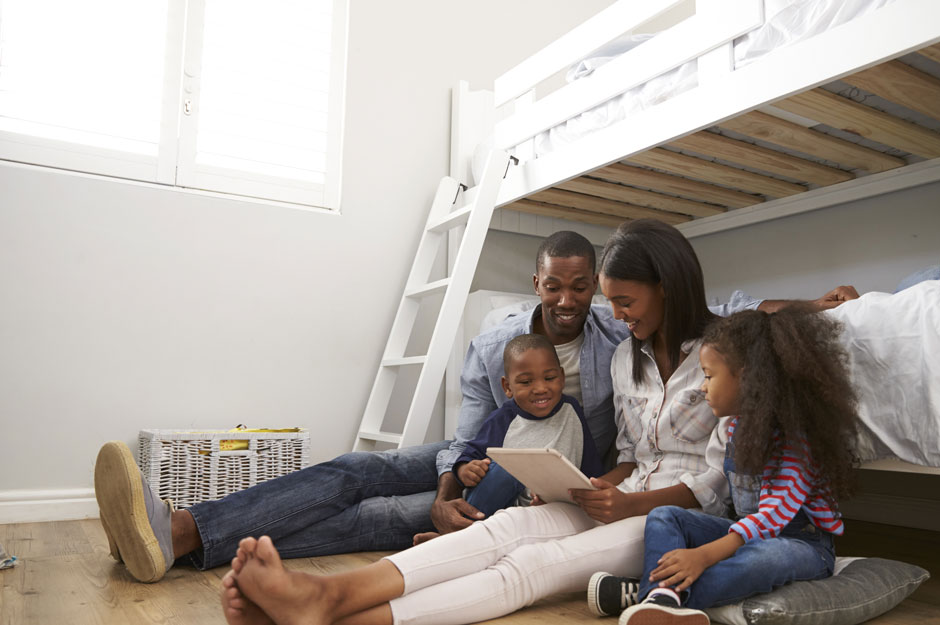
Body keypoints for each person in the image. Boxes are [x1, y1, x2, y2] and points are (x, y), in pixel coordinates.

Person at [96, 228, 853, 584]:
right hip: (484, 461)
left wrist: (814, 306)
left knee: (378, 524)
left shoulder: (625, 336)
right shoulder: (499, 341)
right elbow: (463, 439)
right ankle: (190, 525)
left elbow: (736, 318)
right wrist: (451, 489)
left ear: (596, 286)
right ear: (535, 283)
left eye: (587, 289)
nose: (573, 302)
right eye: (555, 287)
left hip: (563, 477)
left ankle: (191, 542)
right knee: (367, 470)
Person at [592, 308, 859, 623]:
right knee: (665, 517)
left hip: (802, 544)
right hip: (743, 534)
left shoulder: (795, 440)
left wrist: (704, 556)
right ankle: (662, 598)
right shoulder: (735, 427)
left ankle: (652, 595)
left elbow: (772, 518)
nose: (703, 387)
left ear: (745, 376)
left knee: (767, 557)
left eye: (708, 375)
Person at [448, 333, 603, 521]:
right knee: (506, 470)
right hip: (496, 508)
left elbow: (589, 462)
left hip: (549, 510)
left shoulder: (572, 410)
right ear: (507, 387)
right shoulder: (503, 419)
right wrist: (465, 469)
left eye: (549, 377)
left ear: (561, 377)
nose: (540, 388)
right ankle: (467, 529)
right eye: (525, 382)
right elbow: (471, 453)